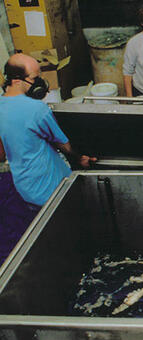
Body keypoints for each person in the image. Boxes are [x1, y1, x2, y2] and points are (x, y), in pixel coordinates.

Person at [0, 54, 96, 264]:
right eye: (36, 78)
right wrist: (81, 158)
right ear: (17, 80)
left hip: (25, 187)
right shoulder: (36, 109)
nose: (41, 84)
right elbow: (64, 144)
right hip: (51, 186)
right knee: (67, 228)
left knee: (46, 229)